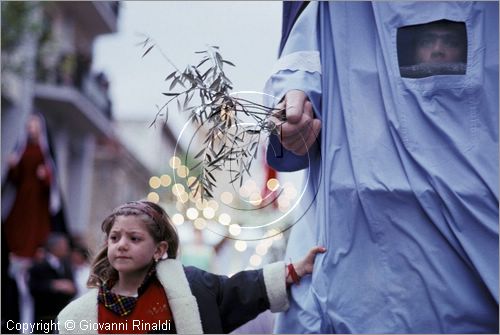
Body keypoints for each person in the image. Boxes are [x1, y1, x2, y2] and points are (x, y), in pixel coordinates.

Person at [265, 1, 498, 333]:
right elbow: (300, 65)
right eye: (426, 42)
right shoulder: (328, 19)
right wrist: (292, 104)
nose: (436, 50)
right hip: (358, 262)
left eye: (444, 43)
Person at [57, 201, 325, 334]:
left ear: (159, 249)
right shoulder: (82, 314)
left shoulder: (192, 289)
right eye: (115, 238)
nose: (122, 245)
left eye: (134, 238)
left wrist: (293, 271)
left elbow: (237, 290)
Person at [29, 233, 76, 327]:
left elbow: (72, 286)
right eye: (64, 245)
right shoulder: (40, 264)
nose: (67, 248)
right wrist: (53, 285)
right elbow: (33, 287)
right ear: (55, 247)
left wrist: (71, 288)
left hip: (62, 314)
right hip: (44, 315)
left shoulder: (66, 265)